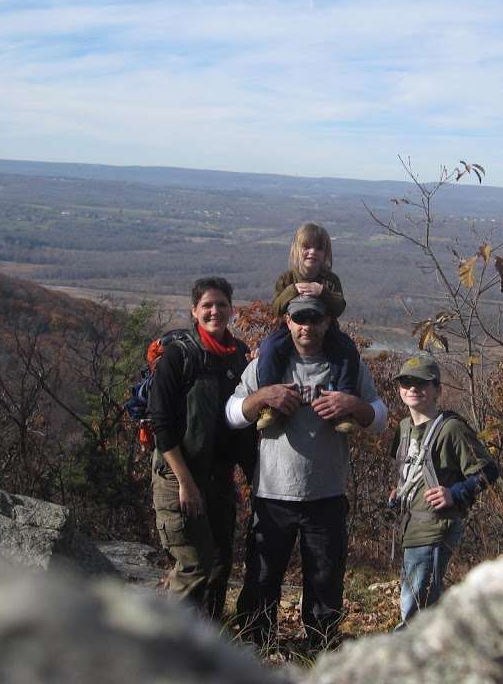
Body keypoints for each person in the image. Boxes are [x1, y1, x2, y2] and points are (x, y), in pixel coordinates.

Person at [226, 295, 387, 650]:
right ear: (287, 322)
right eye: (299, 319)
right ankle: (256, 648)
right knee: (262, 578)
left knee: (325, 582)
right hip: (272, 493)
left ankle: (321, 652)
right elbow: (233, 413)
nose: (306, 327)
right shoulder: (268, 364)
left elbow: (379, 418)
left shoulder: (345, 365)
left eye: (314, 319)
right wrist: (262, 397)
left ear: (327, 322)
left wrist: (354, 406)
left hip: (326, 494)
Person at [147, 276, 256, 620]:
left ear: (232, 310)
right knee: (194, 564)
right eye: (207, 305)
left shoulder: (239, 356)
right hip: (178, 476)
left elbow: (242, 425)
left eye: (221, 304)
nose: (215, 311)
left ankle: (207, 643)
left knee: (220, 564)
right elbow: (161, 427)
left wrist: (255, 478)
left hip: (218, 479)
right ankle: (172, 647)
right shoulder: (179, 356)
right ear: (194, 311)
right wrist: (185, 483)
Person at [390, 353, 498, 628]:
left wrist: (455, 493)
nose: (413, 389)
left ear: (437, 390)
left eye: (422, 383)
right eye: (407, 382)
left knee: (417, 609)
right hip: (411, 527)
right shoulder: (404, 428)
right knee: (417, 601)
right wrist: (399, 491)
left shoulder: (451, 428)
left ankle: (407, 661)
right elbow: (409, 468)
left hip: (435, 527)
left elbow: (487, 471)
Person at [256, 222, 361, 434]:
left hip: (326, 328)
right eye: (307, 247)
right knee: (268, 348)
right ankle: (269, 405)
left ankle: (344, 408)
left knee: (347, 350)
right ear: (297, 249)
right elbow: (276, 308)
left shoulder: (331, 280)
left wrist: (322, 292)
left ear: (325, 253)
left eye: (319, 248)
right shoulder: (287, 279)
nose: (312, 252)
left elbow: (339, 307)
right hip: (290, 329)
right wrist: (292, 290)